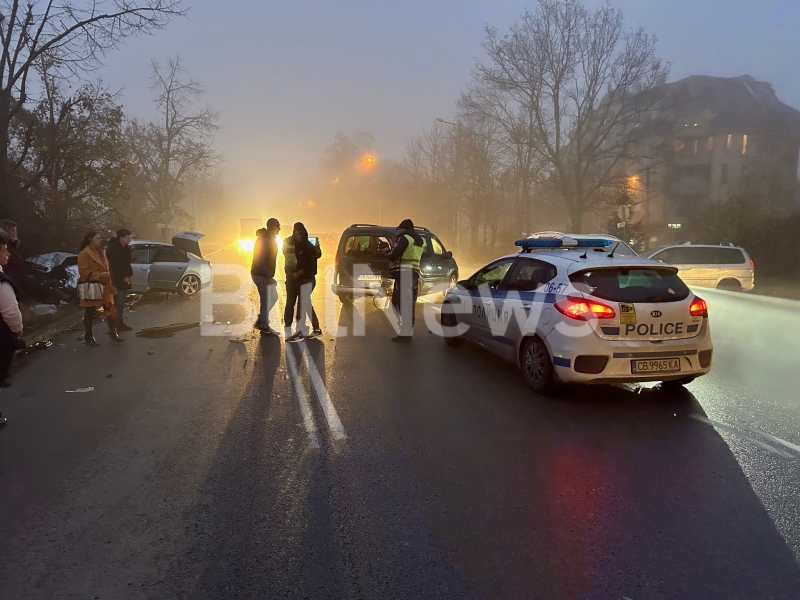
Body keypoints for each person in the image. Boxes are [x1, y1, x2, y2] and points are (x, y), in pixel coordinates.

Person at [384, 219, 426, 342]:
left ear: (405, 229)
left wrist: (386, 250)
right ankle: (407, 331)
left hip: (403, 274)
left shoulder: (405, 238)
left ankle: (405, 331)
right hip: (414, 275)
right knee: (409, 303)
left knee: (397, 302)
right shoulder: (420, 241)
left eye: (401, 229)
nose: (400, 231)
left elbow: (394, 255)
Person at [78, 231, 121, 346]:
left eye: (100, 238)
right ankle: (88, 336)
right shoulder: (84, 254)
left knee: (109, 309)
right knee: (90, 311)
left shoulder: (101, 253)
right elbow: (83, 272)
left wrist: (111, 284)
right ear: (90, 239)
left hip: (105, 285)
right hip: (93, 285)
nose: (100, 240)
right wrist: (99, 275)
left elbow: (107, 268)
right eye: (97, 238)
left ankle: (113, 331)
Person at [286, 223, 322, 342]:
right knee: (306, 304)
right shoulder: (299, 246)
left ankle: (300, 332)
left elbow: (310, 266)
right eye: (295, 234)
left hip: (308, 280)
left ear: (303, 234)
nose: (296, 236)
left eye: (299, 234)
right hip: (301, 280)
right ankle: (316, 329)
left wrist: (299, 272)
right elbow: (288, 241)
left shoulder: (309, 248)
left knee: (302, 305)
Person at [0, 233, 24, 392]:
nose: (8, 254)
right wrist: (17, 329)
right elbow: (10, 310)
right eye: (4, 250)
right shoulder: (2, 282)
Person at [250, 219, 281, 335]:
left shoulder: (269, 238)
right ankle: (264, 325)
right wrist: (269, 277)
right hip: (260, 274)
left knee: (272, 297)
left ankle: (262, 320)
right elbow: (260, 260)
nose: (280, 228)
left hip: (262, 274)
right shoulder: (265, 239)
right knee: (267, 298)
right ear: (272, 227)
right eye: (278, 226)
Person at [105, 228, 133, 332]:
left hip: (125, 279)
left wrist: (129, 275)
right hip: (116, 280)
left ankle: (119, 322)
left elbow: (127, 263)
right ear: (121, 237)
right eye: (127, 237)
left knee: (122, 302)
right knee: (118, 302)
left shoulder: (125, 248)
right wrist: (123, 276)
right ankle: (114, 324)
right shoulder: (113, 249)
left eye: (130, 237)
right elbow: (115, 266)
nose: (129, 239)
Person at [282, 225, 301, 329]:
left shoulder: (285, 242)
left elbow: (284, 253)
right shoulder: (300, 243)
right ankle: (299, 322)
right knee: (301, 300)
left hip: (289, 272)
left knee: (290, 299)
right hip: (298, 273)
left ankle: (287, 322)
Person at [0, 220, 25, 288]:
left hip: (14, 277)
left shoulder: (13, 243)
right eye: (13, 230)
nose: (15, 233)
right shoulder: (4, 244)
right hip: (8, 277)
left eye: (16, 230)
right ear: (6, 231)